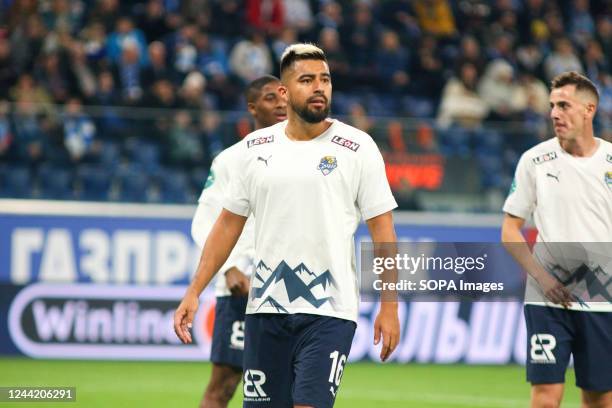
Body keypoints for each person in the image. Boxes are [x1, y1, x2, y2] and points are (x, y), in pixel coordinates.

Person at [175, 43, 400, 408]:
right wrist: (195, 290)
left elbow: (383, 234)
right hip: (265, 310)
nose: (319, 88)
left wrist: (389, 305)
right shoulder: (253, 148)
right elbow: (227, 225)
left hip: (330, 310)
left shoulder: (358, 148)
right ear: (284, 91)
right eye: (307, 80)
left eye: (324, 79)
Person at [502, 71, 612, 408]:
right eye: (552, 106)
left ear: (589, 109)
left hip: (601, 297)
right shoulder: (534, 160)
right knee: (546, 398)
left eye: (564, 105)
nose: (554, 113)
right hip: (547, 298)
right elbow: (509, 230)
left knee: (599, 398)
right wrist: (543, 278)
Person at [190, 74, 287, 408]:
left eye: (284, 96)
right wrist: (228, 268)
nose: (281, 104)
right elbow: (204, 222)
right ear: (252, 107)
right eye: (271, 98)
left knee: (286, 387)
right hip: (241, 288)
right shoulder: (231, 159)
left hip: (288, 290)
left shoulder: (305, 157)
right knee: (224, 385)